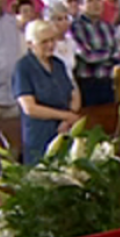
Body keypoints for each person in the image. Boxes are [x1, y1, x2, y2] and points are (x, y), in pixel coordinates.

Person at [12, 19, 80, 165]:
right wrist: (66, 115)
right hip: (40, 133)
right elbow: (30, 108)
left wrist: (67, 119)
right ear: (31, 44)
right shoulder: (23, 68)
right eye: (44, 42)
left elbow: (74, 93)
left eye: (52, 40)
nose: (50, 45)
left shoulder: (58, 64)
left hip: (63, 130)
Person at [71, 0, 120, 106]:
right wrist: (110, 55)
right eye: (90, 1)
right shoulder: (75, 28)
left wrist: (102, 54)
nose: (96, 4)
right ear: (81, 6)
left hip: (107, 82)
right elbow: (87, 56)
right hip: (87, 84)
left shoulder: (109, 27)